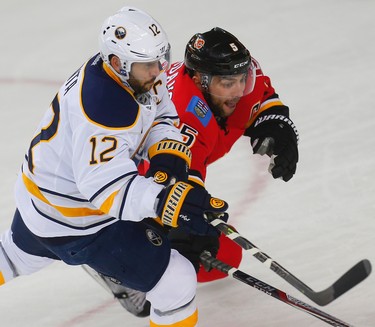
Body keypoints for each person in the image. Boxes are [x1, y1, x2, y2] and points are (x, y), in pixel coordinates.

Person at [0, 7, 229, 327]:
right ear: (118, 62)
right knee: (176, 283)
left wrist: (168, 163)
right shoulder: (103, 108)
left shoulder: (135, 74)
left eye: (160, 61)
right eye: (150, 65)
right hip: (78, 225)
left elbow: (162, 115)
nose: (159, 72)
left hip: (41, 200)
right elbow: (105, 189)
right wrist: (166, 202)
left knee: (11, 257)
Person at [117, 26, 300, 317]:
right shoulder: (184, 118)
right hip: (126, 179)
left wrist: (277, 126)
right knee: (200, 252)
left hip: (159, 171)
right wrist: (185, 225)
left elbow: (262, 99)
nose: (240, 90)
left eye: (243, 79)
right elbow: (173, 184)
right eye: (229, 83)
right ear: (202, 81)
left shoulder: (229, 88)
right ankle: (118, 258)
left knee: (228, 253)